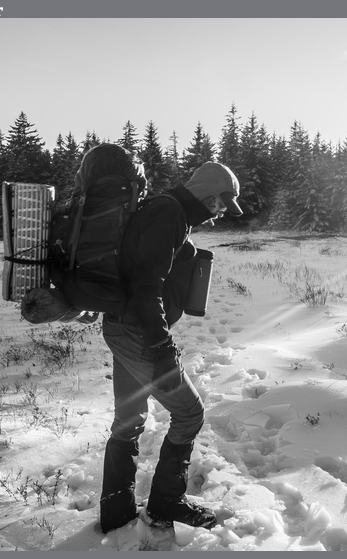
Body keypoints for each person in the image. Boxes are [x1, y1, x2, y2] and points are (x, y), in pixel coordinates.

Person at [99, 162, 243, 534]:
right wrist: (163, 350)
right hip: (137, 332)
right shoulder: (170, 214)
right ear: (209, 196)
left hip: (122, 326)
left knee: (129, 420)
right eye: (222, 203)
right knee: (190, 414)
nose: (222, 211)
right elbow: (147, 287)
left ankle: (116, 511)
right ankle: (166, 503)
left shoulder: (166, 210)